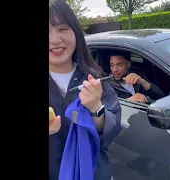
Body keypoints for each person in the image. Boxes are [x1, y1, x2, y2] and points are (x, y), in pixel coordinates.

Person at [49, 0, 122, 180]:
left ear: (75, 32)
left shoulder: (94, 77)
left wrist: (96, 109)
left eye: (62, 29)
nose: (54, 40)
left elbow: (112, 131)